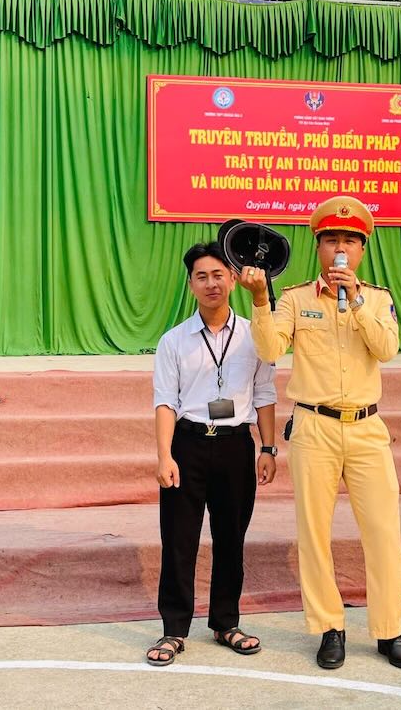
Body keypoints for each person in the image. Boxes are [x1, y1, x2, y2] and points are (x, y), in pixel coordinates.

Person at [238, 195, 401, 671]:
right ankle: (329, 627)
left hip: (366, 427)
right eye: (331, 240)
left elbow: (386, 348)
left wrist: (355, 300)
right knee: (313, 533)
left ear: (362, 250)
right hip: (314, 426)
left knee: (383, 531)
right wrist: (260, 300)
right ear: (318, 246)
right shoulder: (296, 298)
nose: (340, 249)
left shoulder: (377, 299)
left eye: (350, 241)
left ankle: (388, 629)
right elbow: (270, 346)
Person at [146, 241, 278, 667]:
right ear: (190, 285)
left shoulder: (256, 335)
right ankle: (174, 629)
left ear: (234, 279)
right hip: (187, 445)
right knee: (178, 541)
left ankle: (226, 623)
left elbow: (264, 394)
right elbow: (165, 400)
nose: (211, 283)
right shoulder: (173, 341)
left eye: (218, 274)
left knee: (230, 540)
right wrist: (164, 455)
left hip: (236, 445)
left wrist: (269, 447)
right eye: (201, 276)